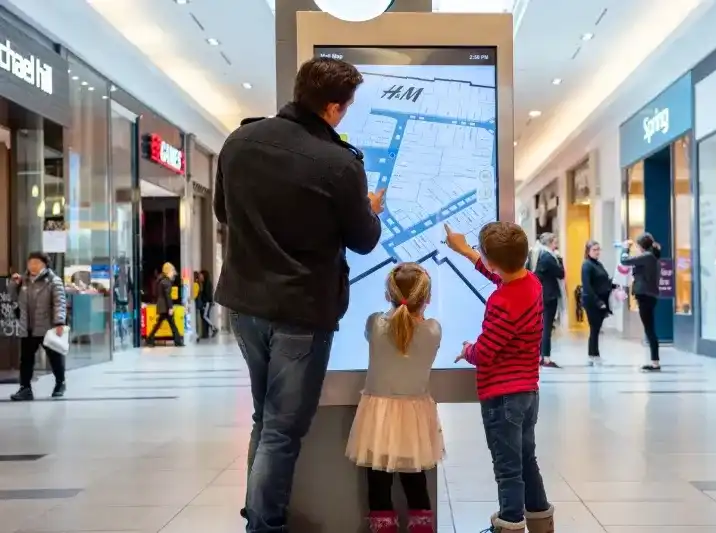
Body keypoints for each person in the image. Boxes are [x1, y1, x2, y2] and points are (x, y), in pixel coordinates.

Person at [214, 57, 385, 532]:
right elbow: (364, 239)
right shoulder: (338, 163)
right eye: (346, 107)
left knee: (265, 421)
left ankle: (259, 516)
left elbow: (223, 211)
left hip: (245, 305)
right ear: (333, 107)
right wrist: (371, 208)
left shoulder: (239, 141)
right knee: (281, 431)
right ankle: (264, 527)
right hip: (302, 312)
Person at [445, 222, 555, 533]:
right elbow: (499, 275)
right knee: (526, 460)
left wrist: (467, 349)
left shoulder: (502, 303)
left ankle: (509, 524)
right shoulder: (530, 283)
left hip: (502, 398)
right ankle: (541, 522)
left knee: (507, 468)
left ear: (492, 260)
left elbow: (485, 353)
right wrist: (466, 251)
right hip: (527, 394)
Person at [345, 263, 442, 533]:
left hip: (377, 414)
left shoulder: (375, 323)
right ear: (428, 298)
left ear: (388, 295)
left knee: (378, 481)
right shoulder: (434, 329)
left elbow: (386, 329)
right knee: (416, 481)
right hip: (415, 417)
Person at [8, 251, 68, 401]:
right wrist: (12, 284)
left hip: (47, 327)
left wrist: (59, 322)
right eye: (30, 263)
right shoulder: (23, 281)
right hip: (27, 327)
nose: (32, 266)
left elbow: (59, 302)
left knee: (54, 357)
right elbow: (13, 298)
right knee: (26, 360)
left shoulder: (53, 281)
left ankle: (60, 383)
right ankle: (25, 388)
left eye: (36, 263)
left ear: (44, 265)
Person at [620, 233, 662, 372]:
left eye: (638, 246)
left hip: (645, 295)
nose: (637, 248)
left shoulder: (648, 256)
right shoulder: (651, 256)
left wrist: (625, 249)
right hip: (648, 295)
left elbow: (624, 261)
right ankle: (654, 361)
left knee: (649, 329)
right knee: (649, 329)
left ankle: (655, 363)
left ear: (641, 246)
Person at [533, 233, 563, 369]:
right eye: (555, 242)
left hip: (544, 295)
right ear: (550, 242)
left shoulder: (541, 255)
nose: (556, 244)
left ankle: (541, 356)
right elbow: (561, 273)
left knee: (544, 326)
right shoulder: (548, 257)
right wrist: (560, 260)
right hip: (548, 296)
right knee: (547, 327)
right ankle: (545, 357)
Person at [581, 240, 613, 365]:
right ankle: (593, 355)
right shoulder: (587, 265)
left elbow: (603, 280)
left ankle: (594, 354)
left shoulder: (598, 264)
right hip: (592, 302)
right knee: (594, 328)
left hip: (601, 300)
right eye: (594, 250)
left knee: (596, 329)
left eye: (598, 249)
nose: (597, 252)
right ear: (588, 251)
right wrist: (598, 302)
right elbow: (587, 286)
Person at [145, 262, 183, 347]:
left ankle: (150, 338)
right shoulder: (166, 282)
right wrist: (170, 307)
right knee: (172, 324)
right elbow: (168, 295)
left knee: (161, 323)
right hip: (165, 306)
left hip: (162, 305)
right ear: (168, 271)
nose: (173, 273)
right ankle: (178, 342)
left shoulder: (161, 280)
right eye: (172, 270)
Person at [197, 270, 218, 340]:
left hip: (206, 303)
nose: (199, 277)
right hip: (207, 303)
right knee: (205, 317)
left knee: (204, 316)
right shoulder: (205, 283)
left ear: (204, 276)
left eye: (200, 275)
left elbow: (208, 295)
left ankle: (214, 328)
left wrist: (205, 303)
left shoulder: (207, 284)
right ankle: (206, 333)